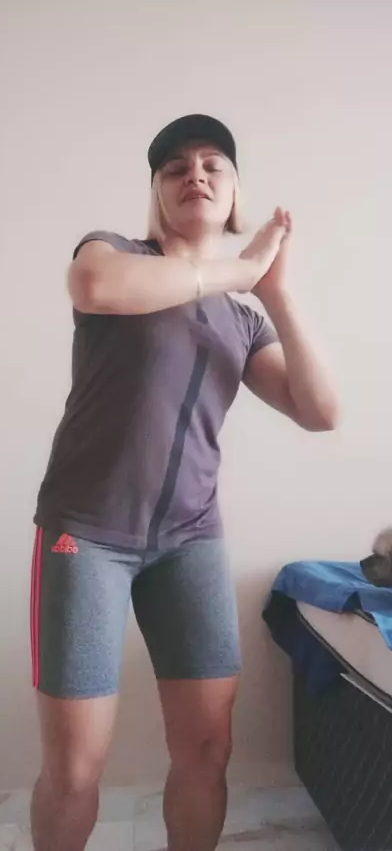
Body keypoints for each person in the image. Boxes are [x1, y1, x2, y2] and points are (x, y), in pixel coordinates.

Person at [29, 113, 339, 851]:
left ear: (233, 195)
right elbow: (92, 284)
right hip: (86, 535)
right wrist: (240, 266)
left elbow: (321, 411)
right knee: (75, 766)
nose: (193, 174)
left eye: (211, 165)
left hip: (190, 541)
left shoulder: (242, 319)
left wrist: (275, 292)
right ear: (157, 192)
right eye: (174, 167)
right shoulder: (116, 254)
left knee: (207, 749)